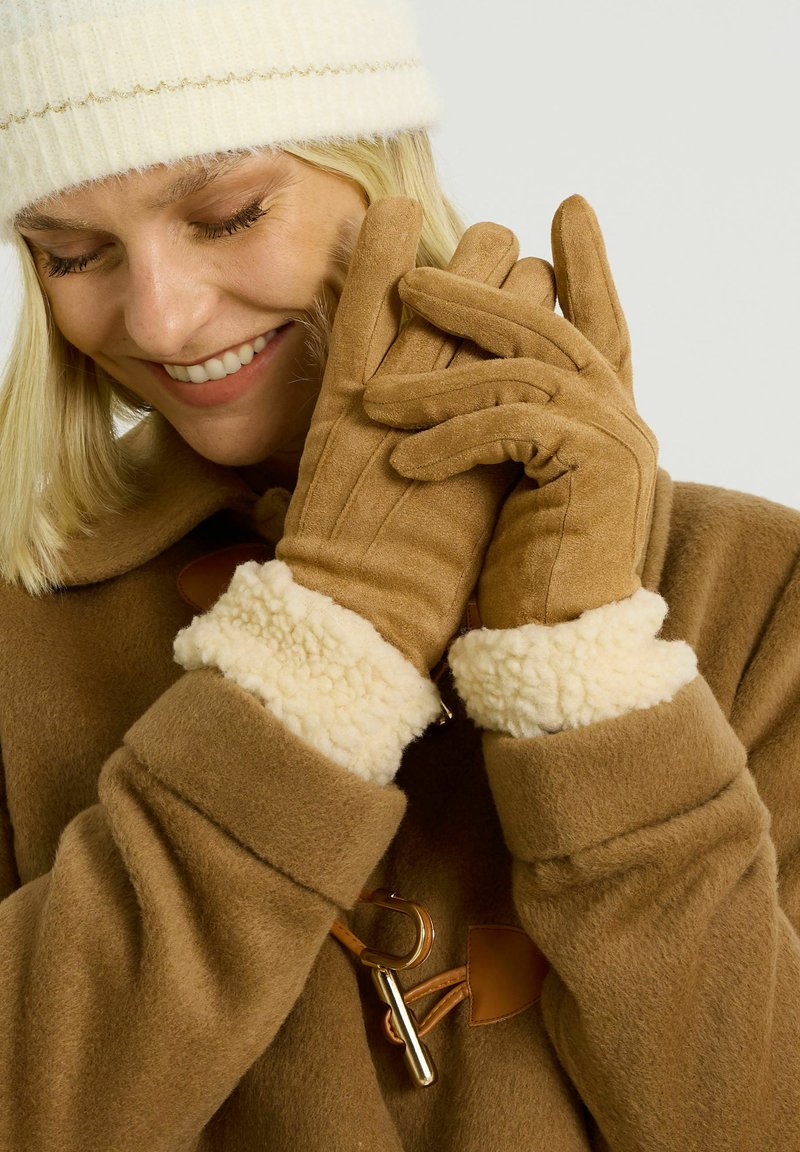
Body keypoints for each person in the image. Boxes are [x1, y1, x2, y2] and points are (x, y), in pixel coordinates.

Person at [0, 1, 798, 1149]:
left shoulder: (756, 592)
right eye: (70, 253)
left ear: (380, 171)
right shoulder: (17, 639)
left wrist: (584, 678)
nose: (161, 316)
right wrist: (315, 660)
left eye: (227, 215)